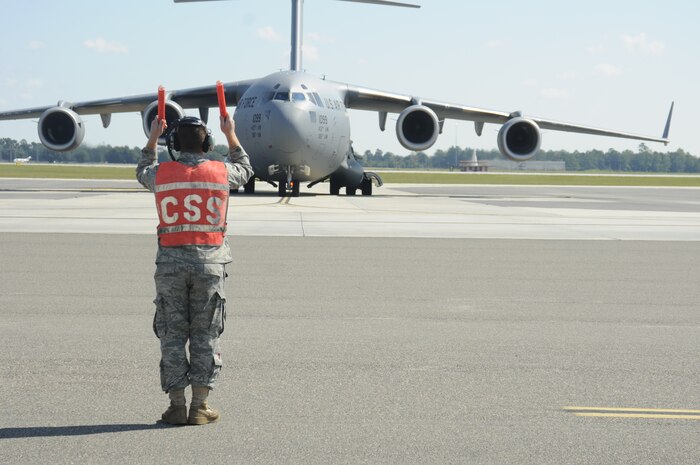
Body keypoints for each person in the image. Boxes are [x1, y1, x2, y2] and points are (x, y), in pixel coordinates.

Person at [136, 114, 254, 425]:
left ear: (172, 144)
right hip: (210, 265)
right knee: (205, 334)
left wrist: (152, 139)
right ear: (208, 143)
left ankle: (176, 405)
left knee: (172, 334)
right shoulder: (221, 172)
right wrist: (231, 134)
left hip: (171, 266)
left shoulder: (161, 173)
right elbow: (246, 169)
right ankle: (200, 405)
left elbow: (141, 171)